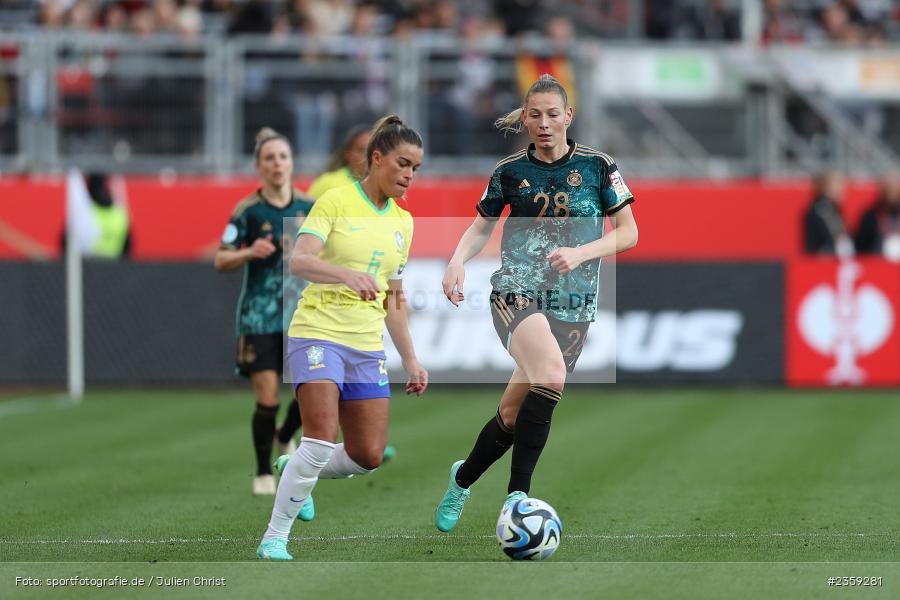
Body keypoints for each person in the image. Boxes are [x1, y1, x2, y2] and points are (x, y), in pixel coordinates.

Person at [432, 74, 639, 532]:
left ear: (568, 116)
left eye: (552, 114)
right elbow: (482, 227)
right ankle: (517, 501)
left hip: (574, 305)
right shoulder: (509, 172)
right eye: (535, 115)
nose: (544, 123)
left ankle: (461, 479)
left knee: (511, 415)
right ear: (524, 118)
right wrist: (456, 262)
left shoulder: (599, 167)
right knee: (550, 375)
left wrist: (582, 253)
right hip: (517, 291)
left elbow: (629, 232)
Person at [257, 115, 429, 561]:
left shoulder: (403, 223)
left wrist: (411, 358)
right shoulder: (334, 200)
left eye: (415, 167)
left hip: (365, 343)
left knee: (367, 455)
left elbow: (394, 295)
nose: (410, 175)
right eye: (403, 163)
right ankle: (275, 537)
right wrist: (345, 274)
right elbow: (299, 260)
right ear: (377, 158)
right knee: (317, 438)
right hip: (317, 331)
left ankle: (294, 469)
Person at [214, 127, 315, 496]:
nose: (277, 163)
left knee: (311, 391)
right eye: (270, 158)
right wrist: (246, 252)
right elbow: (221, 259)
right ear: (258, 166)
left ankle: (286, 435)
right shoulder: (248, 212)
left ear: (291, 163)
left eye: (283, 157)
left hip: (303, 315)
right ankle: (262, 471)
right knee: (268, 397)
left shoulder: (310, 207)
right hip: (259, 317)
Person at [306, 125, 371, 200]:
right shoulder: (327, 182)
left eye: (372, 150)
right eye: (361, 150)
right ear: (347, 154)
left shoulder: (384, 187)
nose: (368, 156)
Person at [803, 169, 854, 257]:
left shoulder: (835, 210)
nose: (841, 189)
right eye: (836, 185)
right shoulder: (819, 211)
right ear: (825, 187)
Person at [855, 172, 900, 261]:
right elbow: (861, 246)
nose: (891, 194)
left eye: (894, 190)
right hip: (877, 263)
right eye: (888, 189)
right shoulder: (870, 216)